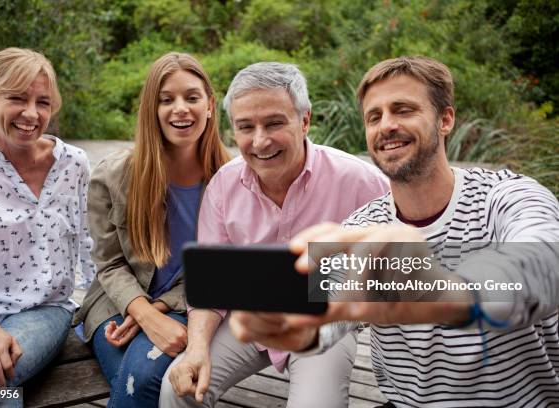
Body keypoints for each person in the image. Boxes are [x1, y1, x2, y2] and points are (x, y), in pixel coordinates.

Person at [229, 56, 559, 407]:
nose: (386, 125)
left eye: (403, 110)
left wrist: (448, 294)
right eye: (374, 116)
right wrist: (295, 327)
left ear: (445, 119)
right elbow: (326, 309)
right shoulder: (362, 226)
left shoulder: (507, 196)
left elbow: (543, 263)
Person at [160, 62, 388, 408]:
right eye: (245, 127)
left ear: (305, 121)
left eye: (274, 122)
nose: (260, 140)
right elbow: (209, 287)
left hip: (322, 323)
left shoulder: (363, 182)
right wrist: (196, 349)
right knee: (177, 389)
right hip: (248, 317)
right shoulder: (224, 185)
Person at [73, 52, 230, 408]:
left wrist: (161, 309)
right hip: (117, 303)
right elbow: (109, 265)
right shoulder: (113, 176)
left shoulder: (231, 178)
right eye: (166, 99)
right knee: (141, 383)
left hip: (187, 303)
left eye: (192, 97)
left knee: (149, 383)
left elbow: (223, 268)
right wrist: (143, 313)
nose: (180, 109)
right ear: (151, 109)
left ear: (209, 105)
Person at [0, 47, 95, 397]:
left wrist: (105, 317)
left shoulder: (73, 164)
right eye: (17, 98)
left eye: (42, 102)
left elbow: (91, 247)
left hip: (42, 311)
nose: (31, 114)